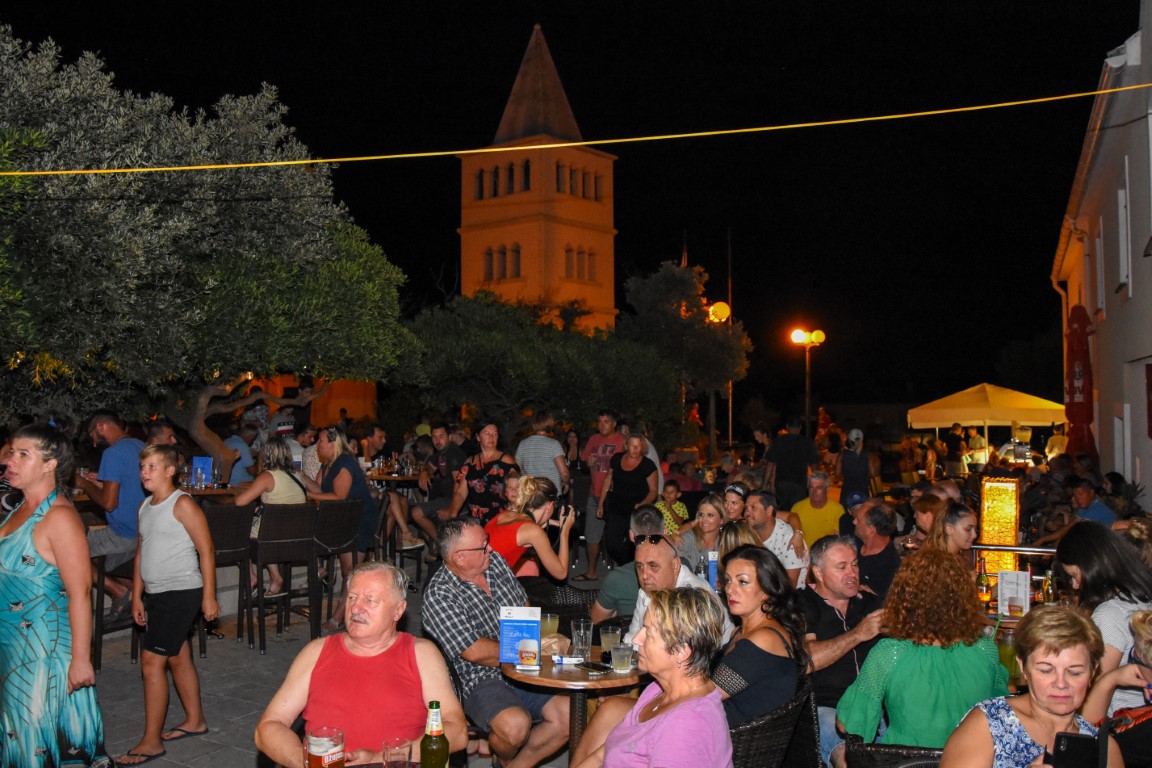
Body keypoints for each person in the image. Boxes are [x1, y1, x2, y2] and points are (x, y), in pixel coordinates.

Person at [256, 561, 467, 764]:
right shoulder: (316, 652)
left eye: (370, 600)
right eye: (352, 598)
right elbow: (269, 726)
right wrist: (303, 761)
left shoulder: (420, 654)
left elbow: (456, 731)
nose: (356, 608)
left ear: (398, 610)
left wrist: (384, 757)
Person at [0, 424, 111, 768]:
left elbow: (81, 594)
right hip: (13, 643)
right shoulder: (20, 507)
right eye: (11, 452)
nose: (10, 461)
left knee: (34, 737)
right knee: (15, 733)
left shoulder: (59, 517)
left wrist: (81, 660)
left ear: (50, 464)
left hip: (43, 650)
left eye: (23, 454)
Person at [422, 518, 569, 767]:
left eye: (487, 541)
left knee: (568, 714)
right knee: (515, 727)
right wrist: (529, 649)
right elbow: (475, 652)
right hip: (478, 677)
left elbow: (523, 604)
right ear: (459, 558)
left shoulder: (495, 562)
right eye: (483, 546)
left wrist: (533, 646)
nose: (490, 548)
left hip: (522, 664)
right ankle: (504, 756)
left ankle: (514, 765)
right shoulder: (439, 594)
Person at [837, 548, 1008, 748]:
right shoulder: (984, 647)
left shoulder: (890, 653)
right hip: (973, 758)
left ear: (904, 598)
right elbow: (1000, 708)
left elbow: (848, 725)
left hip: (907, 760)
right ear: (964, 597)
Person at [119, 445, 218, 765]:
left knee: (151, 662)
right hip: (157, 593)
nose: (144, 472)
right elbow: (141, 552)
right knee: (177, 656)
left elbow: (206, 550)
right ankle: (195, 720)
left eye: (151, 466)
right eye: (142, 467)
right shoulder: (145, 506)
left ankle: (151, 741)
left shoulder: (182, 504)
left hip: (182, 591)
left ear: (169, 471)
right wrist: (137, 595)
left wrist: (209, 596)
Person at [941, 605, 1123, 768]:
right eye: (1046, 670)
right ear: (1023, 667)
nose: (1061, 684)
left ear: (1092, 672)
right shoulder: (989, 724)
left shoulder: (1102, 748)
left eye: (1074, 672)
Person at [573, 587, 733, 768]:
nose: (636, 639)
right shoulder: (657, 690)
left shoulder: (688, 724)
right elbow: (603, 753)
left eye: (648, 633)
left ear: (681, 652)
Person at [800, 535, 885, 768]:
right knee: (848, 757)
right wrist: (858, 634)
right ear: (818, 573)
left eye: (855, 565)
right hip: (826, 706)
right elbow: (808, 659)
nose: (852, 573)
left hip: (875, 706)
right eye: (842, 567)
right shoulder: (802, 603)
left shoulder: (870, 602)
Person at [1056, 520, 1152, 714]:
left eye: (1074, 575)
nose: (1075, 585)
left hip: (1119, 724)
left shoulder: (1111, 613)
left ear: (1093, 567)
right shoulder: (1142, 595)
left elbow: (1091, 701)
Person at [714, 545, 810, 726]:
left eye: (742, 582)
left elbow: (709, 695)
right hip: (722, 728)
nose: (730, 589)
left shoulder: (763, 639)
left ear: (766, 591)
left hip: (736, 737)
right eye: (728, 580)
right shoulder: (741, 632)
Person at [302, 425, 377, 628]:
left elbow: (339, 496)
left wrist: (309, 495)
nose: (317, 444)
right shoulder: (327, 464)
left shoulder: (344, 463)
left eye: (321, 441)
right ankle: (319, 568)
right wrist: (300, 477)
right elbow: (320, 489)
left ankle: (338, 617)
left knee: (349, 571)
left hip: (359, 520)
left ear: (333, 443)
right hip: (342, 520)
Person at [75, 410, 147, 617]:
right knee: (99, 560)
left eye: (93, 435)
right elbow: (130, 486)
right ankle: (136, 596)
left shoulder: (113, 453)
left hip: (124, 533)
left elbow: (108, 503)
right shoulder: (141, 446)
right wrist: (101, 482)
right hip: (143, 533)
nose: (94, 443)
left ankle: (118, 591)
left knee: (69, 550)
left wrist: (83, 484)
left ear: (100, 426)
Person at [624, 526, 733, 644]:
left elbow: (682, 652)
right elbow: (631, 640)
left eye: (653, 566)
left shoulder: (693, 597)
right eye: (639, 566)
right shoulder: (648, 590)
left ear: (675, 565)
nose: (644, 575)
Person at [233, 436, 307, 596]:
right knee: (268, 528)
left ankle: (251, 577)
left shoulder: (267, 476)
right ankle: (276, 578)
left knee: (239, 533)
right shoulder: (298, 475)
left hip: (270, 537)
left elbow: (239, 502)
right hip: (296, 537)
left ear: (265, 455)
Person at [485, 475, 575, 579]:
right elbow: (561, 573)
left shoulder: (506, 514)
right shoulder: (534, 531)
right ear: (550, 506)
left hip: (474, 576)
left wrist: (553, 523)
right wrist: (564, 531)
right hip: (488, 583)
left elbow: (518, 528)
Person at [598, 433, 658, 567]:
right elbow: (607, 481)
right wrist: (600, 504)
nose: (635, 449)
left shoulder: (648, 465)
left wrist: (642, 504)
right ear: (626, 445)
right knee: (612, 544)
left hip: (635, 511)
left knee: (633, 543)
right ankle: (626, 566)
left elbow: (653, 491)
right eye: (632, 445)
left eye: (638, 446)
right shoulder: (617, 459)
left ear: (642, 447)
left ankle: (630, 568)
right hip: (616, 507)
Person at [410, 422, 468, 557]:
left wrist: (451, 509)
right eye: (434, 437)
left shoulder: (453, 453)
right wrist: (425, 472)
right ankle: (440, 546)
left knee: (416, 513)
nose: (438, 440)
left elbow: (459, 484)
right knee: (417, 516)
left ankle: (441, 546)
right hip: (444, 498)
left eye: (441, 436)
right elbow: (430, 466)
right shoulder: (441, 453)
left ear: (449, 437)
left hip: (455, 500)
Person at [448, 419, 520, 525]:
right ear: (478, 437)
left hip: (500, 519)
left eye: (495, 434)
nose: (492, 437)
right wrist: (452, 514)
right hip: (476, 520)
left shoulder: (506, 461)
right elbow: (460, 493)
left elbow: (518, 490)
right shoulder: (469, 462)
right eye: (487, 433)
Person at [743, 490, 804, 587]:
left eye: (753, 507)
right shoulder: (747, 532)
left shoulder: (788, 539)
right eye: (746, 508)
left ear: (769, 511)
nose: (747, 513)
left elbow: (790, 584)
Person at [764, 416, 820, 511]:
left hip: (781, 483)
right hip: (799, 484)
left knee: (782, 513)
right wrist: (817, 484)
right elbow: (814, 466)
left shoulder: (779, 441)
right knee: (797, 513)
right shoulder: (807, 443)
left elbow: (770, 464)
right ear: (800, 427)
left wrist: (765, 484)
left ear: (787, 426)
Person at [515, 412, 570, 498]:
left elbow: (518, 468)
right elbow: (564, 473)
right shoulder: (554, 444)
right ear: (549, 424)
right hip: (550, 494)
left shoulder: (523, 444)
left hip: (531, 495)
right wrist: (566, 483)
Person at [854, 502, 900, 598]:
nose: (854, 522)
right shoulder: (853, 544)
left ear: (870, 530)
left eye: (858, 519)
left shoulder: (889, 569)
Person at [674, 494, 724, 575]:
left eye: (710, 515)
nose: (704, 520)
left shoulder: (726, 543)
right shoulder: (688, 538)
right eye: (701, 515)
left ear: (721, 520)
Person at [791, 471, 844, 546]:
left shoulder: (837, 509)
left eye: (819, 488)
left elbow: (837, 540)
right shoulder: (797, 508)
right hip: (803, 550)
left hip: (826, 550)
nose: (814, 491)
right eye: (811, 487)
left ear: (827, 489)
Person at [840, 428, 872, 501]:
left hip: (847, 491)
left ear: (849, 440)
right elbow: (873, 473)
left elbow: (838, 474)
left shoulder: (842, 455)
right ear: (862, 439)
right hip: (863, 490)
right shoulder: (868, 455)